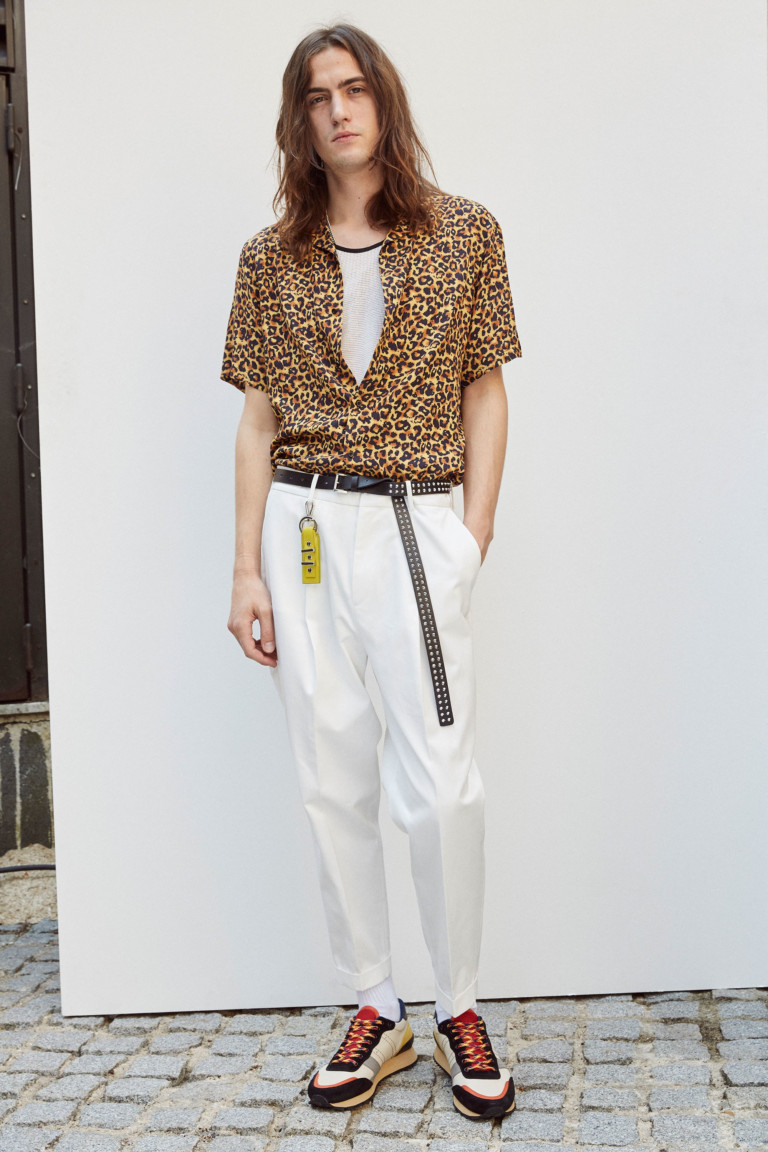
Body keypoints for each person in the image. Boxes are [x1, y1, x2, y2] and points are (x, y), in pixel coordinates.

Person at [221, 23, 521, 1120]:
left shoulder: (464, 234)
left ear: (383, 101)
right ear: (298, 120)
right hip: (301, 531)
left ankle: (459, 1006)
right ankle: (376, 1002)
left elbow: (486, 389)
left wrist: (471, 533)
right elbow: (258, 422)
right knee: (329, 775)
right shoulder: (270, 258)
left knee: (441, 784)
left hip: (412, 525)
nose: (338, 110)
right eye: (317, 96)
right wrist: (245, 571)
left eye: (353, 89)